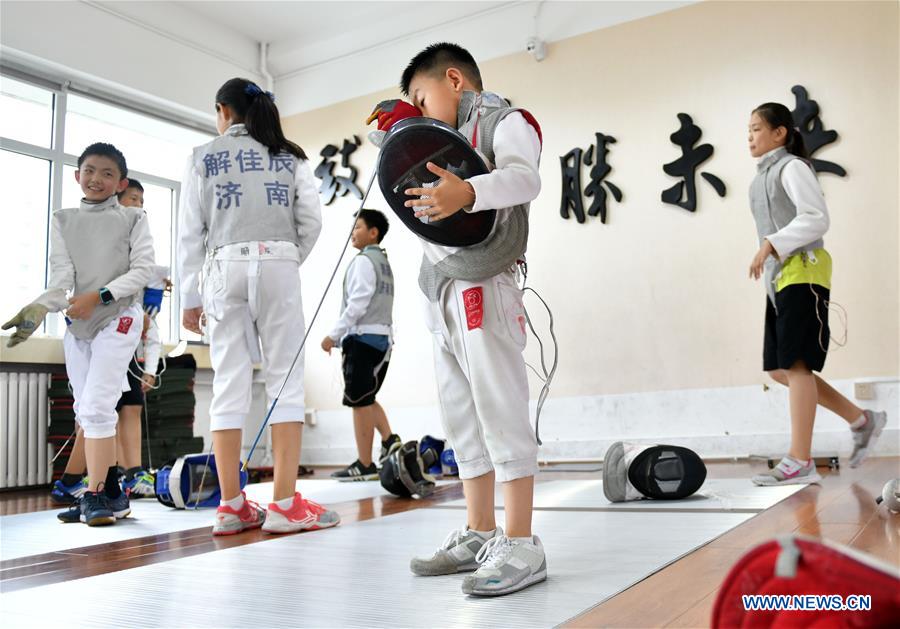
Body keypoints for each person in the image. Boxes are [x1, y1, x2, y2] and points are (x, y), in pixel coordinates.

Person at [370, 43, 546, 596]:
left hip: (484, 282)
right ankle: (479, 531)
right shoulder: (433, 140)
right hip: (440, 288)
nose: (419, 112)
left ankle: (521, 541)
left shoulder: (505, 120)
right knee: (460, 412)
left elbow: (525, 179)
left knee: (498, 402)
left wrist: (469, 190)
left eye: (423, 98)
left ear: (454, 79)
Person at [178, 77, 339, 535]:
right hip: (278, 266)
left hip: (222, 269)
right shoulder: (290, 156)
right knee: (284, 381)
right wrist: (285, 259)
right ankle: (285, 505)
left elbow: (191, 231)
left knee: (229, 383)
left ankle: (230, 506)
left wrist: (190, 296)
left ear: (222, 111)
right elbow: (310, 221)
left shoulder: (200, 157)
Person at [3, 142, 155, 526]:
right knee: (85, 409)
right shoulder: (63, 219)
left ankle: (96, 494)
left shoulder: (133, 219)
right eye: (89, 171)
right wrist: (41, 306)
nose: (96, 179)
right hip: (79, 324)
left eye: (107, 174)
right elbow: (61, 278)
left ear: (120, 183)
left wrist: (100, 295)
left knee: (100, 406)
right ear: (77, 175)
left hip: (119, 317)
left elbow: (141, 271)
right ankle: (114, 495)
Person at [746, 102, 887, 486]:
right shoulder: (762, 176)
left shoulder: (791, 167)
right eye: (749, 130)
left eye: (758, 128)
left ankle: (799, 459)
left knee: (796, 364)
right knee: (780, 369)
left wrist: (770, 245)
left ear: (781, 133)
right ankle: (862, 420)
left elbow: (816, 218)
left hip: (803, 272)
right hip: (779, 279)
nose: (751, 137)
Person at [321, 209, 402, 481]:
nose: (352, 232)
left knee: (358, 402)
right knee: (367, 397)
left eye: (357, 227)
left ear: (373, 232)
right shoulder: (383, 263)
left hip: (362, 339)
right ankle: (390, 441)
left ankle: (365, 464)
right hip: (381, 340)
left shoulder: (364, 262)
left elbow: (357, 304)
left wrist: (333, 335)